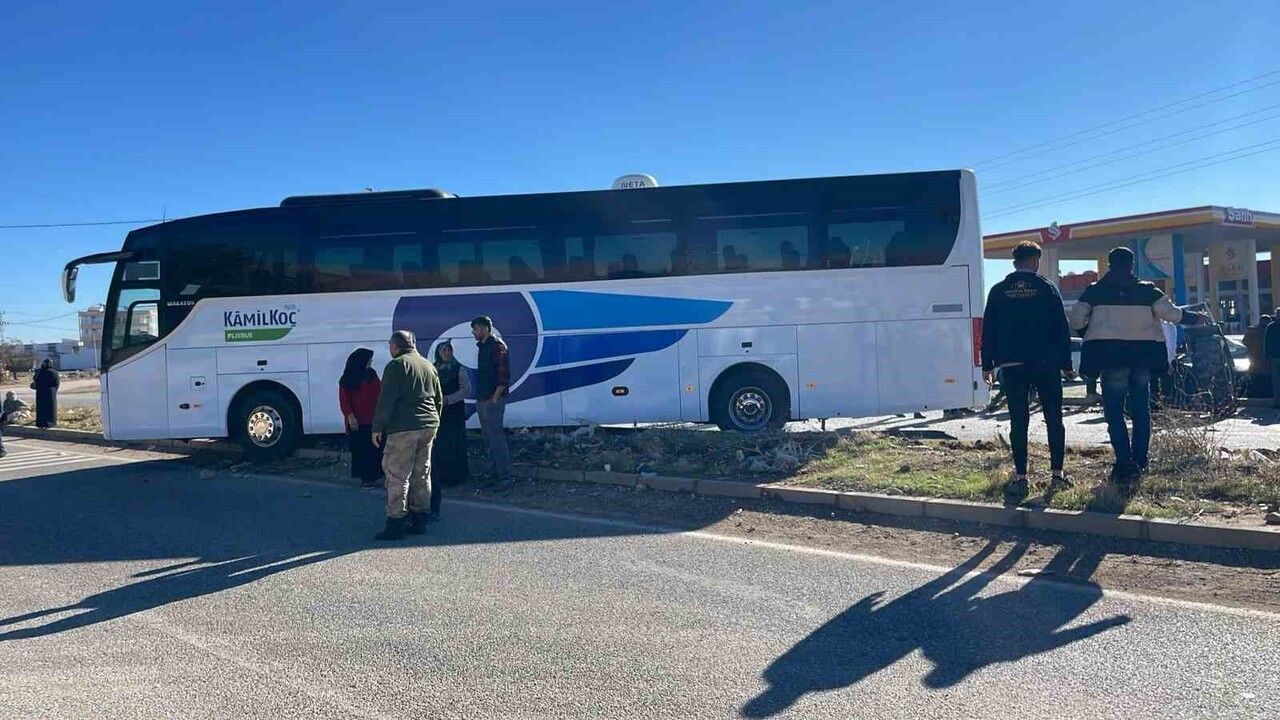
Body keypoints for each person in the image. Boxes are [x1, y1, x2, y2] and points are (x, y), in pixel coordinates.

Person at [1070, 247, 1208, 488]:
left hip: (1111, 360)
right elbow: (1172, 314)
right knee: (1141, 411)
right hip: (1142, 359)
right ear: (1131, 265)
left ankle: (1124, 464)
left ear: (1109, 265)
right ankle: (1141, 461)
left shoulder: (1095, 291)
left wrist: (1090, 333)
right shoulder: (1148, 291)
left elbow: (1076, 320)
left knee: (1113, 412)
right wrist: (1195, 318)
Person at [981, 241, 1075, 497]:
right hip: (1046, 364)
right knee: (1054, 419)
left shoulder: (998, 291)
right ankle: (1057, 474)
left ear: (1014, 262)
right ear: (1035, 261)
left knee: (1018, 421)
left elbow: (989, 329)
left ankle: (1021, 477)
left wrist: (987, 364)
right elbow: (1060, 327)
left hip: (1012, 365)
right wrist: (1066, 364)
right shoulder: (1046, 288)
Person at [370, 330, 443, 541]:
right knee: (422, 474)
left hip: (404, 428)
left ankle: (396, 523)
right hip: (428, 425)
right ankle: (420, 519)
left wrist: (377, 427)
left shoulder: (397, 365)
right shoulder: (429, 365)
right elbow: (438, 398)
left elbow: (387, 399)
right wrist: (435, 424)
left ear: (395, 346)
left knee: (397, 475)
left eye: (390, 346)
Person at [472, 315, 513, 486]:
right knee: (488, 438)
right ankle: (494, 475)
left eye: (476, 329)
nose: (473, 332)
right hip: (483, 398)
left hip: (492, 400)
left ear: (485, 329)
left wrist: (495, 399)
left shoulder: (497, 346)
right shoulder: (483, 347)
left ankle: (505, 477)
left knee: (496, 438)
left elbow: (504, 376)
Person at [431, 340, 471, 511]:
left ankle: (457, 476)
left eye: (449, 350)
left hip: (454, 410)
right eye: (444, 350)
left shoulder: (458, 368)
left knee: (455, 442)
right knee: (441, 444)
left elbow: (466, 389)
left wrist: (449, 399)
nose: (447, 353)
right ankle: (442, 477)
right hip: (438, 411)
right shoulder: (433, 368)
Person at [338, 348, 383, 489]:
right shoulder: (348, 378)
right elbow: (344, 399)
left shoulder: (372, 374)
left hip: (373, 419)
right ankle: (365, 478)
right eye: (369, 360)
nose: (370, 362)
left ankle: (375, 476)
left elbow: (379, 391)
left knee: (374, 449)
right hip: (357, 421)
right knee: (361, 450)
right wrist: (350, 416)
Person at [0, 391, 31, 458]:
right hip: (10, 414)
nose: (12, 396)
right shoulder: (6, 401)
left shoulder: (18, 401)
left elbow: (27, 407)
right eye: (10, 395)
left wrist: (21, 409)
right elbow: (4, 410)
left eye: (13, 395)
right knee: (13, 415)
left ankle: (2, 450)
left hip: (18, 412)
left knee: (20, 414)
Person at [31, 360, 59, 429]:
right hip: (50, 392)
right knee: (50, 408)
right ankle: (50, 423)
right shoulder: (54, 372)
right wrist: (55, 391)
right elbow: (56, 383)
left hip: (40, 392)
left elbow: (35, 380)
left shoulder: (39, 372)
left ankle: (40, 423)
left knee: (41, 408)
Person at [1266, 309, 1280, 408]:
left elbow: (1266, 343)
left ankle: (1277, 402)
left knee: (1276, 381)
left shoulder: (1271, 327)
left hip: (1275, 357)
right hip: (1275, 357)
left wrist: (1267, 355)